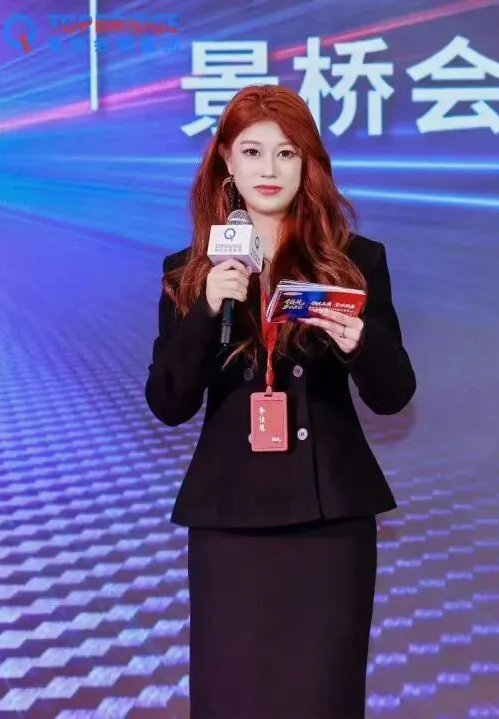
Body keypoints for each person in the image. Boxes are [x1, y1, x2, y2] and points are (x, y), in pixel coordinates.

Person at [144, 84, 415, 718]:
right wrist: (207, 307)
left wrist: (359, 341)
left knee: (322, 696)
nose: (269, 169)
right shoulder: (189, 270)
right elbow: (169, 402)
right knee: (232, 697)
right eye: (253, 152)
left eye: (286, 153)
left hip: (330, 522)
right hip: (231, 520)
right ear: (226, 162)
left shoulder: (353, 261)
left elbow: (394, 394)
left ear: (307, 164)